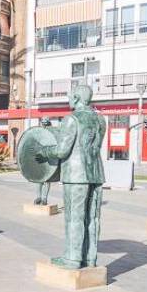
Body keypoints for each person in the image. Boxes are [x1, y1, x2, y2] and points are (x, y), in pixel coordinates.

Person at [38, 84, 106, 269]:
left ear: (76, 98)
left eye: (69, 96)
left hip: (76, 175)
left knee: (74, 217)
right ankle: (90, 259)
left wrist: (45, 151)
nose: (68, 99)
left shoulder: (71, 119)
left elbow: (62, 151)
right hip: (96, 173)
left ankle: (73, 259)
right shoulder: (100, 120)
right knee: (93, 218)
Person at [34, 118, 54, 206]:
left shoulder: (52, 134)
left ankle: (44, 198)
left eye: (46, 124)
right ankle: (38, 197)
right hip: (40, 157)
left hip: (49, 158)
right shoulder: (39, 133)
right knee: (39, 179)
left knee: (47, 179)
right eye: (43, 124)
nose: (44, 125)